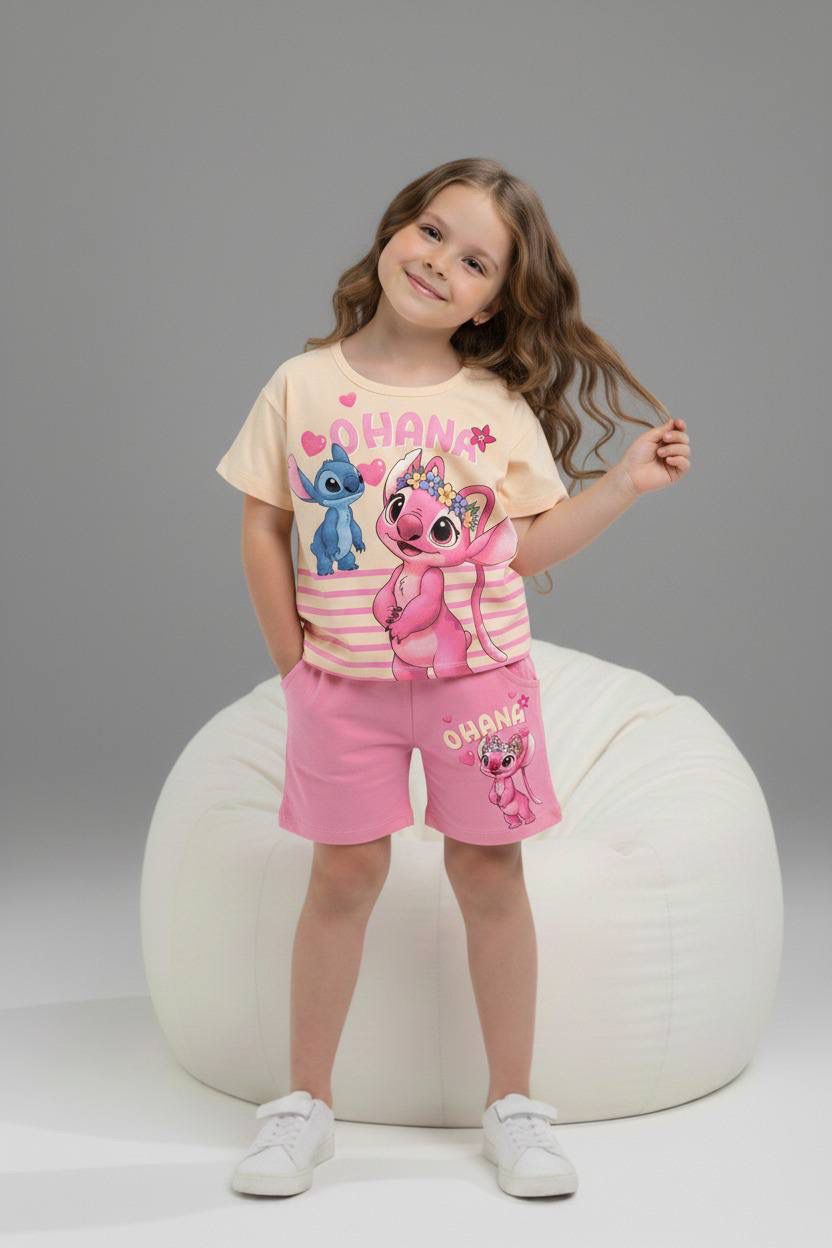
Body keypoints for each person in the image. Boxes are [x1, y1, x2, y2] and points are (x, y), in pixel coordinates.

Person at [215, 157, 691, 1199]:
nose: (439, 262)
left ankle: (514, 1107)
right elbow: (262, 525)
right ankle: (303, 1107)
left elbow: (523, 547)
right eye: (431, 231)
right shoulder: (301, 384)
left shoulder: (493, 405)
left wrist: (622, 484)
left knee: (489, 875)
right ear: (394, 230)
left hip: (481, 687)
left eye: (475, 262)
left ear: (490, 304)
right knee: (342, 877)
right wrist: (293, 667)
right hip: (341, 690)